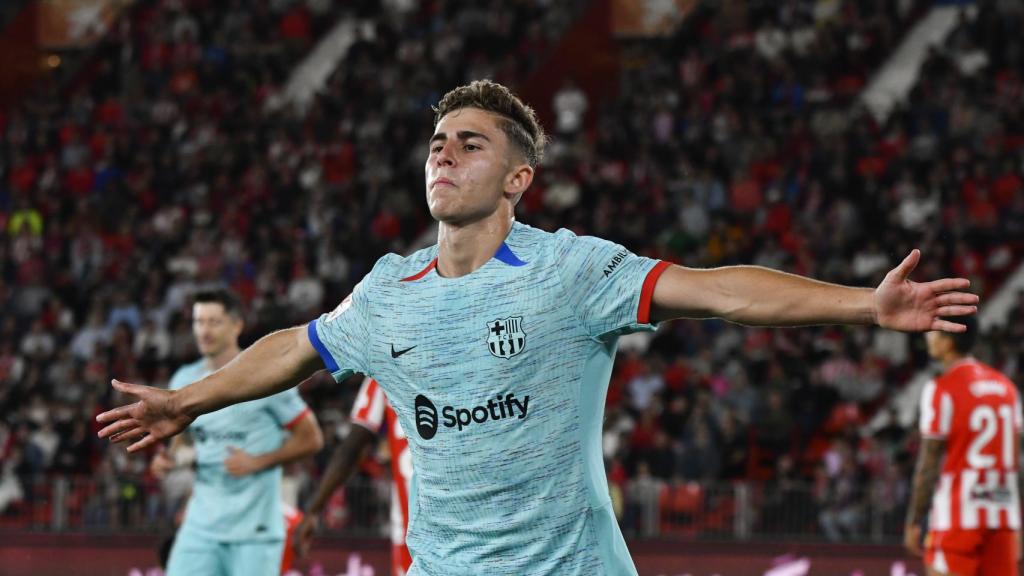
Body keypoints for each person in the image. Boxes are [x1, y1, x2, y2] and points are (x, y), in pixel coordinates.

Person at [99, 80, 979, 576]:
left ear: (520, 178)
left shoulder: (571, 271)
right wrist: (191, 402)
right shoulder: (387, 291)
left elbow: (719, 291)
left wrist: (864, 304)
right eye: (438, 140)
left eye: (470, 143)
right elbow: (295, 346)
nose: (444, 152)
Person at [149, 289, 324, 576]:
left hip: (254, 532)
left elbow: (312, 438)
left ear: (237, 325)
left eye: (214, 322)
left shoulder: (266, 375)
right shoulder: (183, 379)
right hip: (200, 528)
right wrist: (167, 460)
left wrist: (259, 461)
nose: (204, 331)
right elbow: (181, 442)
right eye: (199, 322)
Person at [904, 315, 1021, 576]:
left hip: (958, 514)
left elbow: (929, 462)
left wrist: (914, 520)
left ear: (948, 342)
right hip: (1002, 515)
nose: (928, 338)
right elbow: (1016, 464)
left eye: (934, 333)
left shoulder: (942, 388)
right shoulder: (1007, 389)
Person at [295, 377, 413, 575]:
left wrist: (313, 510)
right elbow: (351, 448)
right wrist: (313, 510)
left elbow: (351, 448)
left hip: (412, 528)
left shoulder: (384, 365)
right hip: (451, 525)